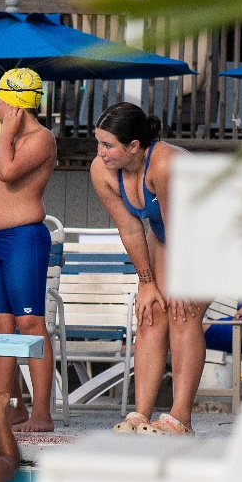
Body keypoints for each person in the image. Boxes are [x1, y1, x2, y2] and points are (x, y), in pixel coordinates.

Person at [91, 102, 202, 436]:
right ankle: (140, 413)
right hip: (167, 233)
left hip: (211, 234)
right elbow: (130, 228)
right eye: (98, 142)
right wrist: (147, 284)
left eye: (108, 145)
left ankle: (181, 418)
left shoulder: (166, 164)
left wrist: (182, 282)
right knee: (151, 311)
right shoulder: (102, 170)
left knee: (184, 312)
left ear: (134, 146)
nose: (100, 152)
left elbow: (183, 229)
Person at [0, 67, 58, 434]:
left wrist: (6, 131)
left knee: (30, 324)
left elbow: (6, 172)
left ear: (15, 104)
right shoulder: (11, 137)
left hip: (23, 239)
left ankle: (42, 413)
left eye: (0, 101)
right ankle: (4, 409)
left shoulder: (40, 139)